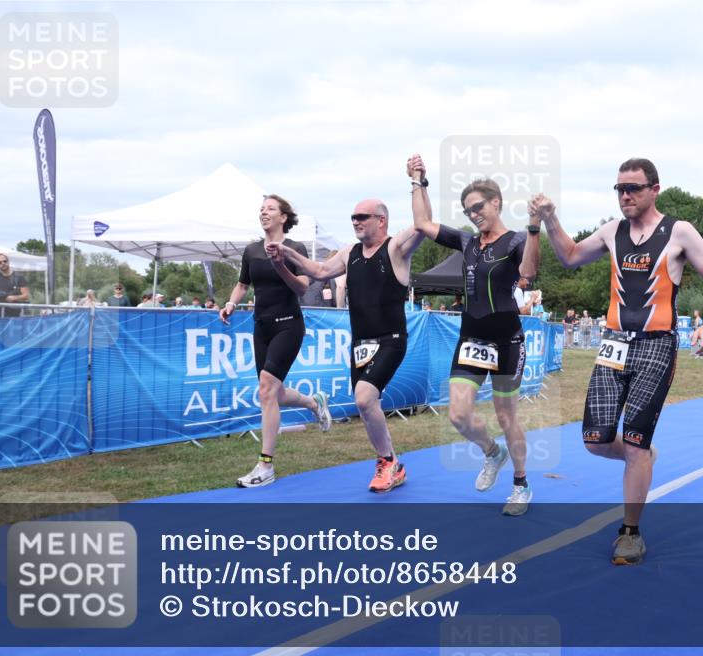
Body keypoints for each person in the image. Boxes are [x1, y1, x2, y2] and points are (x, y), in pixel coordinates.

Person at [532, 157, 703, 565]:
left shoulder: (679, 231)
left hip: (656, 346)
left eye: (633, 188)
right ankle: (641, 457)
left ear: (655, 189)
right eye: (619, 188)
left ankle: (630, 532)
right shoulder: (611, 231)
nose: (625, 196)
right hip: (613, 345)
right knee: (595, 440)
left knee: (636, 442)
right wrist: (550, 219)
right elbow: (568, 256)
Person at [266, 190, 426, 493]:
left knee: (364, 398)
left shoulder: (395, 249)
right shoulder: (349, 252)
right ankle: (393, 463)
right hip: (361, 343)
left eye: (362, 217)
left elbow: (422, 225)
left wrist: (419, 183)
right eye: (352, 217)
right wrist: (287, 253)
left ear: (381, 220)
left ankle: (386, 462)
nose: (355, 221)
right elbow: (320, 270)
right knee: (367, 406)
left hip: (391, 339)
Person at [409, 153, 541, 516]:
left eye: (478, 206)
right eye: (467, 210)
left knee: (506, 416)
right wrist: (418, 180)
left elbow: (529, 271)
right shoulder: (467, 242)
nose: (473, 214)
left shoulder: (515, 241)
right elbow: (422, 222)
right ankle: (492, 453)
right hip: (471, 339)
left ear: (496, 202)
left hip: (506, 340)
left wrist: (533, 227)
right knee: (459, 415)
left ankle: (520, 484)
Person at [219, 195, 332, 488]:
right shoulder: (251, 250)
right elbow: (243, 284)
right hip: (262, 327)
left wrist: (280, 263)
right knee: (274, 393)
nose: (264, 212)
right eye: (261, 209)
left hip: (288, 325)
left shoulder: (294, 248)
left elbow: (301, 288)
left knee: (267, 389)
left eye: (270, 208)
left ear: (283, 217)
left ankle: (265, 465)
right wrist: (231, 303)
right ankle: (313, 402)